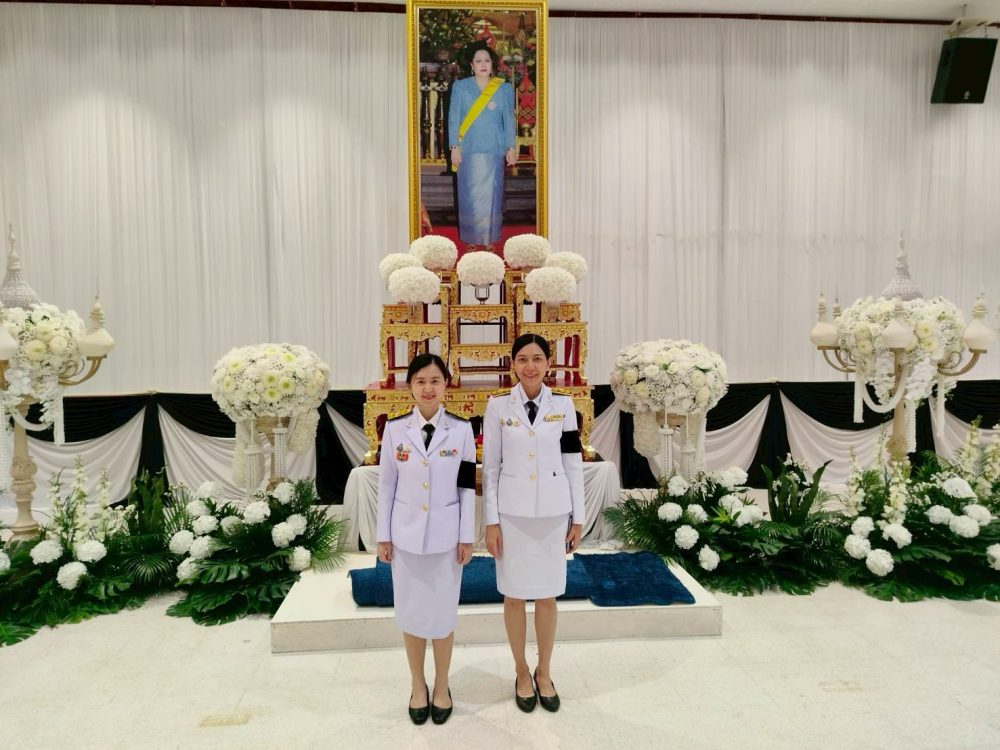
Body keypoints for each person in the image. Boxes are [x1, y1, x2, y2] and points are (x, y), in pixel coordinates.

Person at [481, 333, 585, 714]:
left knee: (547, 595)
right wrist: (491, 522)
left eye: (537, 358)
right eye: (522, 359)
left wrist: (578, 518)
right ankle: (521, 671)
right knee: (513, 595)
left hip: (553, 515)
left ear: (548, 364)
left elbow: (573, 463)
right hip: (512, 516)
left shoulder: (564, 405)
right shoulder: (497, 407)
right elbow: (490, 469)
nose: (530, 366)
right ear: (513, 364)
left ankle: (544, 671)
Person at [376, 353, 476, 726]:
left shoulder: (461, 431)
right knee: (412, 613)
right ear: (411, 387)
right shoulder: (395, 430)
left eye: (435, 381)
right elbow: (387, 486)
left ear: (446, 384)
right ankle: (418, 684)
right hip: (405, 538)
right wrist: (383, 536)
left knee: (443, 615)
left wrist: (467, 536)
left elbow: (467, 488)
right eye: (420, 381)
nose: (428, 388)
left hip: (447, 540)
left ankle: (442, 684)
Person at [447, 41, 516, 253]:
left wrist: (510, 147)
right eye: (478, 61)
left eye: (487, 60)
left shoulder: (503, 88)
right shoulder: (461, 87)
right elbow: (453, 118)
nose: (483, 64)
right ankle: (470, 238)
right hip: (468, 150)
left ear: (492, 64)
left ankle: (489, 239)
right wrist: (454, 146)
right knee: (469, 197)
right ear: (471, 65)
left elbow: (509, 120)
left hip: (493, 150)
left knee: (492, 197)